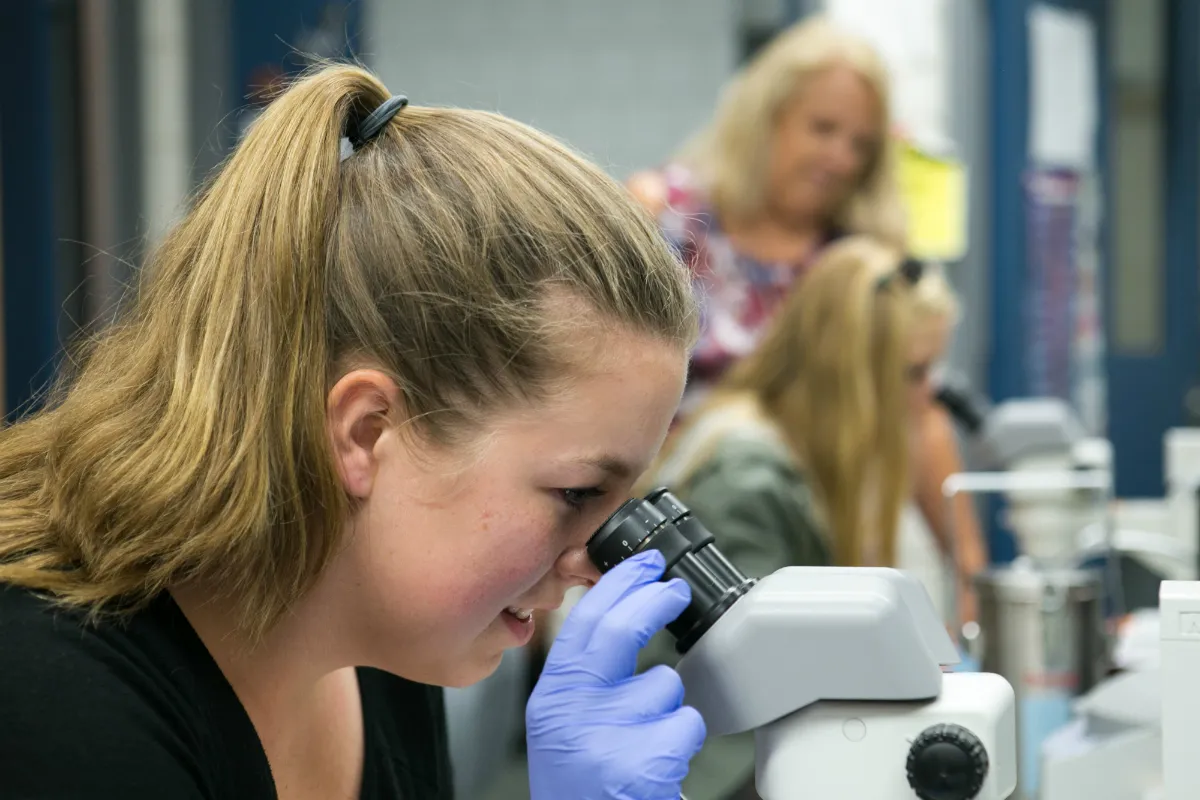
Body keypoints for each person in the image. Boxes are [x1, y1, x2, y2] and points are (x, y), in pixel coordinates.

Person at [0, 65, 706, 800]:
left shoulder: (378, 645)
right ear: (367, 432)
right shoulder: (51, 702)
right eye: (577, 492)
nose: (595, 562)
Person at [627, 14, 985, 626]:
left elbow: (917, 411)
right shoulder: (665, 218)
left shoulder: (865, 255)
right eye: (823, 129)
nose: (841, 158)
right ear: (767, 117)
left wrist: (975, 583)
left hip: (810, 526)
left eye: (861, 144)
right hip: (675, 515)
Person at [632, 236, 959, 800]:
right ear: (854, 373)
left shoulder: (810, 454)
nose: (927, 397)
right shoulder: (746, 478)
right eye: (914, 373)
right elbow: (742, 695)